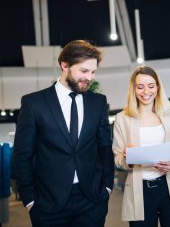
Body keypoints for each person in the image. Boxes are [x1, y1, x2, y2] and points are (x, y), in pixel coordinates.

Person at [13, 40, 114, 227]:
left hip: (92, 200)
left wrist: (107, 187)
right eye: (84, 71)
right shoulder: (34, 103)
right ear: (64, 65)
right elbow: (22, 155)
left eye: (93, 72)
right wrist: (29, 199)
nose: (90, 78)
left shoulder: (98, 102)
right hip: (47, 203)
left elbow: (105, 147)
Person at [112, 66, 170, 227]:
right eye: (140, 87)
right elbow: (118, 158)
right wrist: (129, 159)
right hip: (139, 191)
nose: (146, 91)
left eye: (151, 86)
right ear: (133, 89)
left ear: (158, 87)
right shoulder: (122, 118)